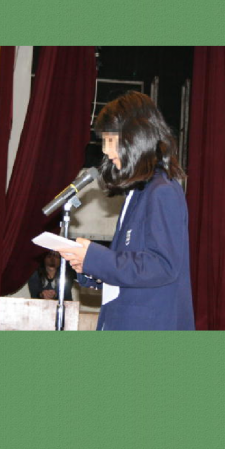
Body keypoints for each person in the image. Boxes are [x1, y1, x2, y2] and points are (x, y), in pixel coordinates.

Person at [59, 91, 194, 330]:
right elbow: (134, 269)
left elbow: (162, 265)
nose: (105, 150)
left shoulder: (162, 191)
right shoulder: (139, 192)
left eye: (110, 140)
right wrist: (91, 268)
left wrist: (96, 258)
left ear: (135, 137)